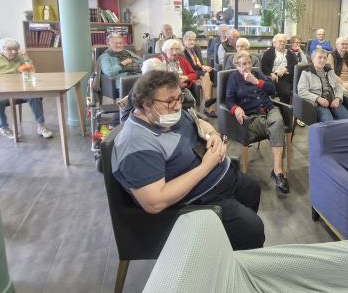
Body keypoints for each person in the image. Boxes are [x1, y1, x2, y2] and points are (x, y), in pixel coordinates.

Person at [111, 70, 264, 250]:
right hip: (200, 201)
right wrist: (206, 166)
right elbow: (155, 202)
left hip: (221, 178)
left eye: (179, 98)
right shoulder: (135, 143)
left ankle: (231, 248)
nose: (177, 106)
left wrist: (213, 134)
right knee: (253, 230)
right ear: (146, 104)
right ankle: (229, 258)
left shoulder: (164, 116)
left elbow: (198, 122)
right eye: (170, 101)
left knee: (253, 189)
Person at [225, 51, 289, 194]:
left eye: (249, 63)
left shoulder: (257, 73)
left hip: (269, 109)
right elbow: (229, 100)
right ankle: (278, 172)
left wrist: (256, 81)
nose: (248, 66)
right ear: (237, 65)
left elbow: (272, 89)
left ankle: (277, 170)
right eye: (243, 64)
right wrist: (235, 108)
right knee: (277, 125)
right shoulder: (233, 78)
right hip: (252, 116)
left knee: (277, 120)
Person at [0, 38, 54, 140]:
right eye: (10, 49)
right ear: (1, 50)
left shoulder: (19, 58)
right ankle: (4, 128)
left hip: (19, 88)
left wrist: (26, 57)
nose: (14, 52)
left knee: (34, 96)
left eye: (16, 49)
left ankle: (41, 126)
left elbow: (32, 72)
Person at [297, 48, 348, 122]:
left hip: (333, 101)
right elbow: (301, 91)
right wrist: (318, 99)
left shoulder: (329, 71)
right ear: (313, 59)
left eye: (325, 58)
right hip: (319, 104)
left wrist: (338, 98)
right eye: (319, 57)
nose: (322, 60)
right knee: (329, 123)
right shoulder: (306, 73)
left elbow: (337, 87)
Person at [182, 31, 217, 117]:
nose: (192, 42)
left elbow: (200, 62)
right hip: (190, 72)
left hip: (198, 71)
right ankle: (208, 107)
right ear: (184, 40)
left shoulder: (196, 48)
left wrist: (204, 66)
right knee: (206, 75)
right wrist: (202, 67)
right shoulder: (182, 51)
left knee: (210, 74)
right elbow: (189, 66)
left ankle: (208, 105)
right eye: (189, 40)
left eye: (194, 40)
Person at [260, 33, 297, 104]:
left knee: (286, 93)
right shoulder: (268, 53)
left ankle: (285, 107)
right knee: (267, 90)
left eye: (284, 42)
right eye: (280, 41)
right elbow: (264, 66)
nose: (282, 43)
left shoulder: (290, 53)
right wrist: (271, 73)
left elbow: (295, 63)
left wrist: (286, 68)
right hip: (273, 76)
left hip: (287, 76)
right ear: (274, 43)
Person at [160, 39, 199, 108]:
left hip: (181, 89)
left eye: (177, 49)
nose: (174, 52)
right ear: (165, 50)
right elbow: (154, 78)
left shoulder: (182, 60)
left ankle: (190, 114)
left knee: (191, 101)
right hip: (165, 90)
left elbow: (194, 75)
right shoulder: (158, 61)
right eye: (171, 49)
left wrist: (186, 77)